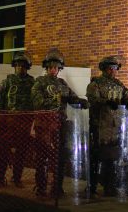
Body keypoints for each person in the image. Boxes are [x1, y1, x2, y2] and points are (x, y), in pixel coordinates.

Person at [31, 49, 88, 198]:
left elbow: (72, 96)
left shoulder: (62, 83)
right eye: (50, 67)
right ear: (46, 68)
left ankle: (57, 187)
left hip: (60, 123)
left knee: (60, 156)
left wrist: (80, 101)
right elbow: (36, 102)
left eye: (56, 67)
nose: (53, 70)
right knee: (42, 156)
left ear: (59, 69)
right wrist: (56, 100)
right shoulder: (40, 82)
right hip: (44, 124)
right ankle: (41, 187)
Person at [86, 55, 128, 196]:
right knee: (96, 156)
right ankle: (92, 186)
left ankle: (110, 186)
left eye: (115, 68)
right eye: (110, 68)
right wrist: (106, 102)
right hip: (99, 126)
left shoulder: (119, 84)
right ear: (104, 69)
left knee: (112, 157)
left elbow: (127, 95)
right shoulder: (95, 84)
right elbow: (93, 99)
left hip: (115, 127)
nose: (112, 71)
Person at [0, 52, 36, 188]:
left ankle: (17, 179)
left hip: (24, 123)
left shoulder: (32, 83)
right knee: (3, 151)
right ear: (14, 66)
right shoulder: (8, 81)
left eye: (23, 66)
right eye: (17, 65)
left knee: (21, 153)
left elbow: (36, 100)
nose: (20, 68)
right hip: (8, 123)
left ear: (27, 67)